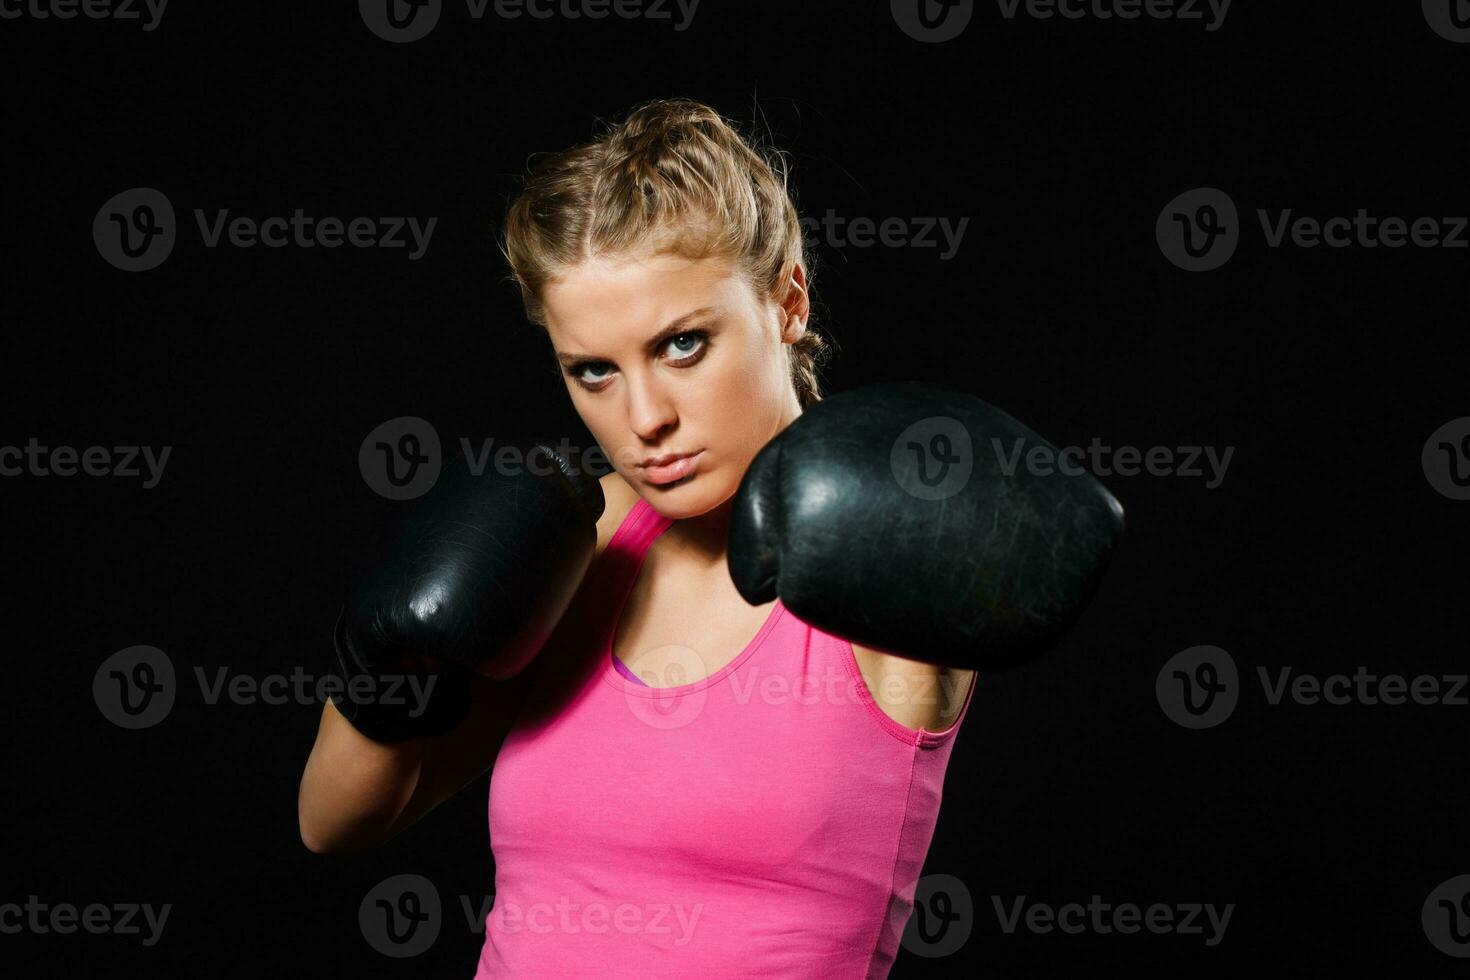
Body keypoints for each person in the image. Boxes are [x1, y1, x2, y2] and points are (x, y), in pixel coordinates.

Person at [298, 98, 1122, 977]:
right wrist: (381, 666)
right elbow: (334, 824)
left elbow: (1065, 528)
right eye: (594, 372)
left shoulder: (881, 542)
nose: (644, 418)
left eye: (684, 344)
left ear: (789, 299)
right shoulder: (581, 535)